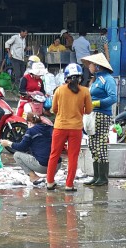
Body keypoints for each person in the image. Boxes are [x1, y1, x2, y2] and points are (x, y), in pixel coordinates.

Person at [45, 63, 93, 191]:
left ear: (66, 77)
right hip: (76, 129)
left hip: (60, 127)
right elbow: (88, 110)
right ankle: (69, 185)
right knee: (73, 157)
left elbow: (54, 109)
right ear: (80, 78)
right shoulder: (85, 91)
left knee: (54, 154)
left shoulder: (59, 90)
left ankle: (50, 182)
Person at [80, 53, 117, 186]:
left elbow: (113, 98)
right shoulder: (96, 80)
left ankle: (103, 178)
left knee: (101, 146)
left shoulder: (107, 79)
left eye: (90, 64)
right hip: (91, 115)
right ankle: (96, 176)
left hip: (101, 115)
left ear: (97, 66)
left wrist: (96, 103)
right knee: (93, 145)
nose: (88, 66)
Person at [0, 112, 60, 185]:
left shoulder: (31, 131)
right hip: (57, 165)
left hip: (44, 166)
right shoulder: (49, 128)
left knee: (17, 155)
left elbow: (21, 147)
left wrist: (8, 143)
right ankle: (50, 177)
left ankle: (33, 177)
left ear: (30, 123)